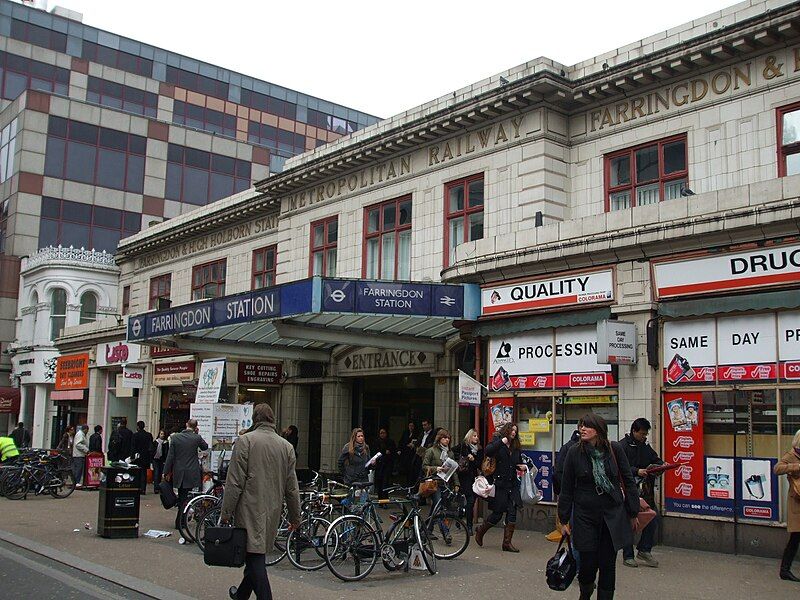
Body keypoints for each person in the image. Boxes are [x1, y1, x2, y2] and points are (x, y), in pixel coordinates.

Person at [221, 403, 301, 600]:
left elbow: (234, 482)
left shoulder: (245, 441)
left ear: (255, 419)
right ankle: (240, 595)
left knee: (255, 556)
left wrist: (225, 513)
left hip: (249, 507)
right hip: (273, 509)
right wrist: (295, 517)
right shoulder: (286, 447)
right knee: (255, 552)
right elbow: (292, 487)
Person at [558, 413, 640, 600]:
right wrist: (563, 519)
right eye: (581, 425)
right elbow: (567, 488)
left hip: (612, 515)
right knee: (587, 563)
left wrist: (633, 511)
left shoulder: (614, 449)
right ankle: (585, 593)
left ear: (599, 430)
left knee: (608, 564)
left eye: (587, 426)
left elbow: (628, 480)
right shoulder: (574, 452)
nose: (582, 429)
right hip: (585, 515)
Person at [476, 422, 527, 552]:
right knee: (497, 514)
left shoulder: (515, 446)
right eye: (512, 430)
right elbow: (488, 451)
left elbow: (517, 461)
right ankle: (481, 531)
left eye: (515, 431)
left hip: (512, 484)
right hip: (500, 484)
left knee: (512, 512)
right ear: (506, 430)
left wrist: (522, 467)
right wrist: (501, 442)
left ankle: (506, 543)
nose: (514, 433)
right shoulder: (498, 441)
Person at [621, 418, 663, 568]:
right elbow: (620, 467)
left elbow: (656, 459)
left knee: (653, 517)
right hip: (629, 491)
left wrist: (660, 466)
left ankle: (644, 550)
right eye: (642, 434)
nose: (644, 437)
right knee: (629, 522)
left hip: (645, 491)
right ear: (634, 431)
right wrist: (636, 471)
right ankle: (628, 555)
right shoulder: (623, 446)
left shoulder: (645, 447)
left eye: (646, 434)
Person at [164, 419, 209, 530]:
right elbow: (205, 446)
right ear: (196, 427)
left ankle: (180, 520)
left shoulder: (175, 437)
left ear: (186, 425)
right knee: (185, 497)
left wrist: (165, 471)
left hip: (179, 471)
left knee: (182, 496)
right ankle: (181, 521)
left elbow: (170, 457)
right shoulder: (196, 438)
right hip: (191, 471)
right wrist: (197, 434)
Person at [422, 429, 459, 540]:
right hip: (434, 483)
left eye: (448, 438)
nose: (447, 440)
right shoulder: (431, 451)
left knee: (436, 507)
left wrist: (457, 484)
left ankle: (427, 530)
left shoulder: (450, 453)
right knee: (439, 506)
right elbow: (424, 466)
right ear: (439, 439)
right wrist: (436, 469)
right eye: (444, 438)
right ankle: (446, 533)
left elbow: (454, 470)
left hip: (445, 483)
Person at [547, 424, 582, 542]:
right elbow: (560, 471)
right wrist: (563, 489)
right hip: (573, 492)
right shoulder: (570, 448)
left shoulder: (596, 449)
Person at [774, 428, 800, 582]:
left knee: (795, 539)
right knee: (795, 538)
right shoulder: (791, 455)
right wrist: (796, 467)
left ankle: (785, 570)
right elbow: (777, 469)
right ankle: (784, 570)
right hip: (797, 503)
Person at [458, 428, 483, 535]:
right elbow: (453, 451)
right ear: (469, 437)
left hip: (474, 478)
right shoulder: (464, 447)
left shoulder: (480, 450)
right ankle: (469, 526)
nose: (476, 438)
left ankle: (461, 513)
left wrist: (474, 460)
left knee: (471, 503)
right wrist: (465, 458)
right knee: (470, 500)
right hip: (464, 477)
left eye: (477, 436)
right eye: (474, 436)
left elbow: (480, 464)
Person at [374, 427, 396, 499]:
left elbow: (392, 452)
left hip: (387, 465)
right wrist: (384, 452)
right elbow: (376, 453)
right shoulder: (377, 442)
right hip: (379, 466)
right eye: (381, 433)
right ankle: (380, 499)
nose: (382, 435)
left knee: (385, 483)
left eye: (384, 433)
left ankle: (385, 499)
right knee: (379, 482)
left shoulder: (390, 442)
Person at [133, 421, 154, 494]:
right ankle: (143, 488)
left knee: (138, 472)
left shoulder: (135, 435)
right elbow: (151, 446)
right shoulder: (148, 435)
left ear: (138, 427)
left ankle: (138, 488)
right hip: (146, 456)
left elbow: (133, 447)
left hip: (138, 457)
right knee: (144, 473)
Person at [151, 429, 169, 494]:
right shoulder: (155, 442)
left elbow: (166, 452)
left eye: (163, 434)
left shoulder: (166, 443)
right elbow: (152, 451)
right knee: (156, 473)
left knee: (161, 474)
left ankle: (160, 487)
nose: (162, 435)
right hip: (155, 459)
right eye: (161, 434)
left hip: (162, 460)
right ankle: (156, 488)